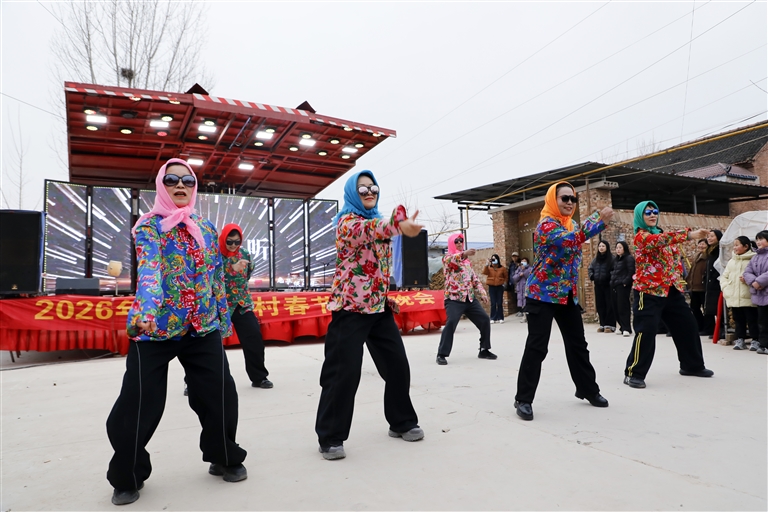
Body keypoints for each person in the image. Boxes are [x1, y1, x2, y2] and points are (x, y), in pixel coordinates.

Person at [106, 159, 246, 506]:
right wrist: (145, 312)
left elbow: (215, 277)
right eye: (172, 180)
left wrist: (222, 319)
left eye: (188, 180)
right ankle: (127, 475)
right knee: (139, 402)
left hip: (201, 326)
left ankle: (223, 455)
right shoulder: (149, 226)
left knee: (220, 393)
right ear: (161, 185)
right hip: (155, 327)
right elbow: (150, 270)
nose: (180, 185)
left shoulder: (206, 227)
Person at [315, 170, 425, 461]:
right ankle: (330, 437)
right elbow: (372, 230)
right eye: (362, 189)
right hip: (350, 310)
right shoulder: (347, 223)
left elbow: (378, 266)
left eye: (373, 188)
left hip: (378, 309)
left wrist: (386, 297)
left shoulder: (377, 221)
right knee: (343, 374)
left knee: (397, 366)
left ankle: (401, 421)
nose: (369, 193)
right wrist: (397, 225)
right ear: (353, 193)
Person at [514, 182, 612, 421]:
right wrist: (598, 219)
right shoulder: (546, 225)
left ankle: (588, 389)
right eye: (564, 198)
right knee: (537, 346)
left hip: (566, 294)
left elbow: (575, 240)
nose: (569, 203)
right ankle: (523, 399)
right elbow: (570, 240)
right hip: (541, 294)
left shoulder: (573, 224)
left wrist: (594, 221)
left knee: (578, 344)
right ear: (553, 200)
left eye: (573, 199)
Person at [623, 201, 714, 389]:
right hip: (648, 291)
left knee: (687, 326)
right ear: (640, 216)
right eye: (647, 212)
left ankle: (692, 366)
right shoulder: (641, 237)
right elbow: (660, 241)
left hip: (670, 289)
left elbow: (672, 258)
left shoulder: (661, 234)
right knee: (646, 331)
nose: (652, 215)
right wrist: (689, 235)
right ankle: (634, 373)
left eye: (655, 211)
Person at [220, 223, 273, 388]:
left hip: (242, 304)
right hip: (219, 305)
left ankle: (259, 377)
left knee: (254, 338)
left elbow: (247, 274)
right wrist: (231, 268)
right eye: (229, 241)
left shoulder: (245, 254)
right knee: (205, 344)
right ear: (223, 239)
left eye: (237, 241)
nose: (233, 245)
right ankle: (193, 382)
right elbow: (210, 276)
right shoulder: (214, 255)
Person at [436, 233, 496, 365]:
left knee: (484, 320)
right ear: (452, 243)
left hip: (469, 299)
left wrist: (482, 293)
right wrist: (463, 253)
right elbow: (452, 259)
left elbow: (474, 279)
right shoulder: (447, 258)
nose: (459, 243)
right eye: (456, 241)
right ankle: (441, 354)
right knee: (451, 322)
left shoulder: (467, 263)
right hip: (454, 299)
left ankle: (484, 349)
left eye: (461, 241)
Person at [721, 236, 758, 351]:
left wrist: (749, 281)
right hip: (734, 296)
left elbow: (758, 276)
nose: (734, 247)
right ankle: (740, 339)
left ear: (746, 246)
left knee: (752, 320)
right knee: (738, 320)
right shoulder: (732, 261)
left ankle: (755, 340)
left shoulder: (753, 259)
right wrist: (726, 288)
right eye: (734, 245)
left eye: (737, 245)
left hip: (749, 296)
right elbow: (724, 276)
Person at [743, 230, 768, 355]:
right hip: (760, 294)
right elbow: (747, 272)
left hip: (765, 290)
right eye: (757, 239)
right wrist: (753, 282)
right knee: (762, 321)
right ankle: (764, 345)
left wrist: (759, 281)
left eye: (761, 239)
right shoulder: (755, 257)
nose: (758, 242)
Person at [588, 240, 616, 333]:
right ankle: (602, 324)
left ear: (607, 247)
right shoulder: (595, 260)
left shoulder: (612, 259)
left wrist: (610, 278)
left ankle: (610, 325)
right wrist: (592, 276)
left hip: (608, 285)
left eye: (603, 246)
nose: (601, 248)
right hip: (598, 285)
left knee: (609, 304)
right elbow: (590, 269)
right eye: (600, 246)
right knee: (600, 305)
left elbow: (615, 270)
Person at [610, 241, 635, 337]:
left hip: (623, 286)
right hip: (614, 285)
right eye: (617, 248)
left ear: (624, 248)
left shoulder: (628, 258)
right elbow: (613, 271)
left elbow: (631, 271)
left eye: (620, 247)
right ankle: (621, 326)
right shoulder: (615, 260)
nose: (618, 250)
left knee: (623, 306)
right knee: (615, 306)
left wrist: (625, 282)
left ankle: (626, 328)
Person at [686, 239, 710, 334]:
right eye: (699, 244)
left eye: (703, 244)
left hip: (702, 287)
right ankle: (699, 326)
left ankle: (707, 328)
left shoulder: (707, 257)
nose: (701, 246)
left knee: (705, 308)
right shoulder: (697, 256)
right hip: (694, 287)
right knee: (694, 308)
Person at [704, 229, 724, 338]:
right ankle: (714, 330)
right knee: (712, 308)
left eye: (712, 236)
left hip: (717, 283)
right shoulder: (710, 251)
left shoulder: (720, 251)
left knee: (719, 308)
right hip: (710, 284)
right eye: (708, 236)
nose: (709, 238)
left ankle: (721, 330)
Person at [483, 254, 508, 323]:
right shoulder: (489, 267)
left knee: (499, 303)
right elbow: (484, 272)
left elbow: (506, 277)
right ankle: (493, 318)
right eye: (492, 259)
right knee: (493, 303)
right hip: (492, 287)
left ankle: (500, 317)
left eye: (495, 259)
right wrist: (487, 264)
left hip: (499, 286)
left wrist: (504, 284)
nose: (494, 260)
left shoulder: (502, 268)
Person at [512, 257, 531, 322]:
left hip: (526, 288)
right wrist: (519, 275)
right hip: (520, 288)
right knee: (522, 303)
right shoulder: (519, 269)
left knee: (526, 302)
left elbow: (529, 276)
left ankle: (527, 317)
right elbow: (514, 278)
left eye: (525, 261)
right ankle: (524, 316)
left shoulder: (529, 269)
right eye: (522, 261)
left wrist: (524, 273)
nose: (523, 263)